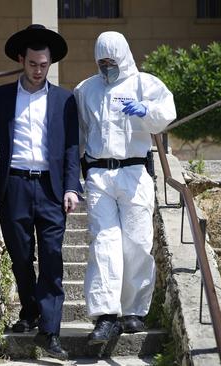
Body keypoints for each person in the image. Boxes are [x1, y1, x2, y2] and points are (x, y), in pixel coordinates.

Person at [0, 24, 81, 360]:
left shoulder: (64, 99)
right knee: (21, 256)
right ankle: (30, 310)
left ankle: (49, 333)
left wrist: (71, 187)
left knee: (51, 256)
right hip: (15, 185)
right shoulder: (2, 97)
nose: (38, 70)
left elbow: (70, 149)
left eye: (44, 65)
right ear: (22, 60)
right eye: (33, 64)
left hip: (51, 189)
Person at [73, 31, 176, 344]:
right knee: (104, 242)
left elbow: (166, 114)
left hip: (133, 172)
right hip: (99, 175)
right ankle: (105, 314)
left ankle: (133, 311)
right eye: (101, 62)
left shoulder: (145, 84)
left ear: (124, 56)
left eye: (111, 61)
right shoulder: (85, 90)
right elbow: (78, 134)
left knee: (137, 241)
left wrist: (146, 111)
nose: (107, 67)